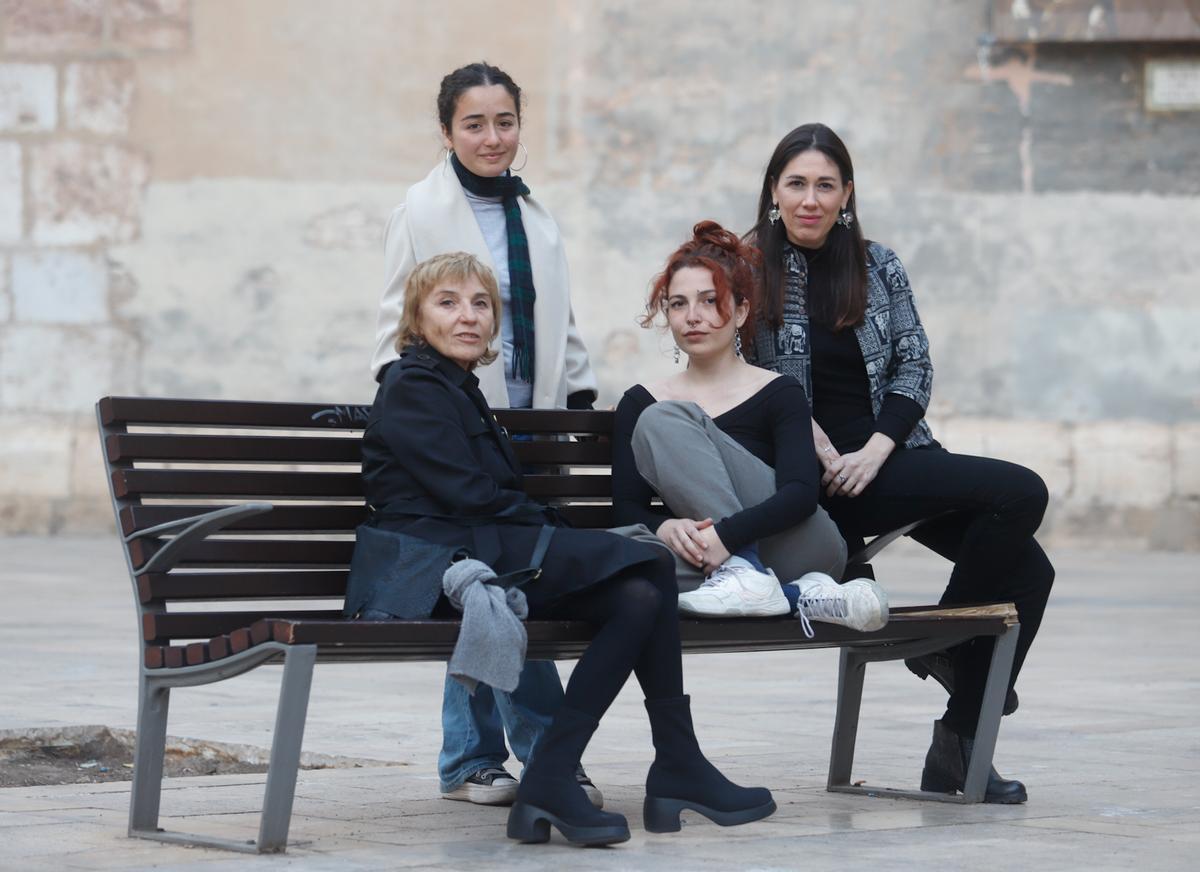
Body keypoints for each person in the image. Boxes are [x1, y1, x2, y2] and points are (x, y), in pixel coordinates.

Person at [362, 252, 776, 845]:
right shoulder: (412, 387)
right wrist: (558, 530)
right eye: (447, 303)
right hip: (441, 565)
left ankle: (580, 772)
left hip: (484, 546)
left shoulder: (454, 387)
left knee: (638, 592)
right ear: (416, 316)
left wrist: (552, 529)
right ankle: (647, 767)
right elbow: (470, 494)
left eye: (481, 304)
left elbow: (487, 499)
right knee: (649, 561)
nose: (468, 317)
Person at [745, 123, 1055, 803]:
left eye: (826, 185)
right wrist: (827, 450)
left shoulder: (877, 263)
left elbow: (915, 362)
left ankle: (956, 741)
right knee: (1022, 492)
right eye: (796, 183)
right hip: (819, 475)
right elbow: (755, 377)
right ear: (774, 190)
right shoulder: (747, 268)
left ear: (847, 193)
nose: (811, 199)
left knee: (1032, 571)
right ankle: (947, 649)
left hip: (891, 458)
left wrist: (879, 446)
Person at [369, 62, 597, 807]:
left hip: (535, 420)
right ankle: (479, 756)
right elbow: (394, 323)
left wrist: (578, 400)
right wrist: (424, 415)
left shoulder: (537, 216)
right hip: (455, 418)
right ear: (446, 131)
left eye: (504, 122)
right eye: (474, 123)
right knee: (487, 571)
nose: (492, 137)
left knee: (496, 579)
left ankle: (472, 757)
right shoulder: (420, 209)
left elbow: (558, 322)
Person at [612, 221, 888, 633]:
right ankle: (799, 596)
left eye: (710, 301)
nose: (693, 317)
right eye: (678, 304)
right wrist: (666, 526)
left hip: (800, 543)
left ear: (740, 311)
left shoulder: (778, 391)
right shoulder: (639, 399)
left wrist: (727, 538)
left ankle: (746, 568)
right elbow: (627, 509)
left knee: (664, 418)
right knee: (617, 563)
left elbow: (798, 495)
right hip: (708, 560)